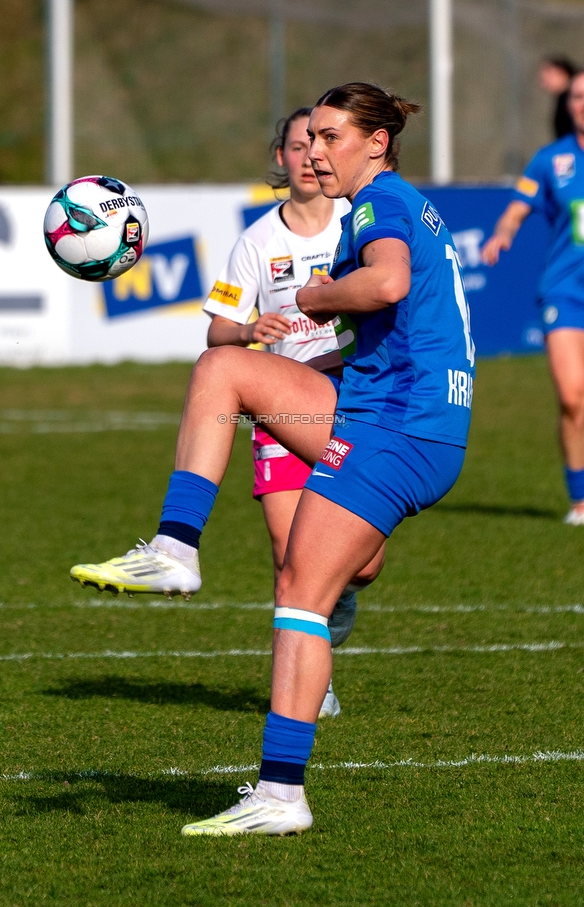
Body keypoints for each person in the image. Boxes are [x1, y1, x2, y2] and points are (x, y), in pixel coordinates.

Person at [70, 81, 475, 835]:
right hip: (393, 414)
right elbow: (390, 322)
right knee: (224, 371)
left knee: (300, 594)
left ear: (377, 144)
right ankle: (175, 548)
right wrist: (306, 349)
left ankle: (282, 795)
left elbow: (387, 282)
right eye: (310, 137)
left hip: (400, 426)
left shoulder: (380, 204)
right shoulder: (386, 206)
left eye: (330, 137)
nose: (315, 151)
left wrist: (321, 298)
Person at [203, 106, 382, 720]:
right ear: (281, 157)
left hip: (351, 403)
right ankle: (314, 680)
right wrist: (250, 329)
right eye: (297, 145)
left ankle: (337, 603)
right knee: (289, 551)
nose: (310, 155)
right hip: (283, 415)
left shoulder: (357, 226)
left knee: (364, 566)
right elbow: (218, 333)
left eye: (319, 142)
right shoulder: (256, 242)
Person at [482, 68, 584, 525]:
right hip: (565, 294)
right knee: (573, 400)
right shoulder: (551, 160)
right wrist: (503, 232)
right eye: (578, 96)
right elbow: (517, 209)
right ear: (568, 105)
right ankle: (581, 502)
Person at [539, 57, 576, 140]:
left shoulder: (573, 99)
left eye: (549, 77)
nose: (545, 84)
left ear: (562, 72)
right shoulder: (563, 99)